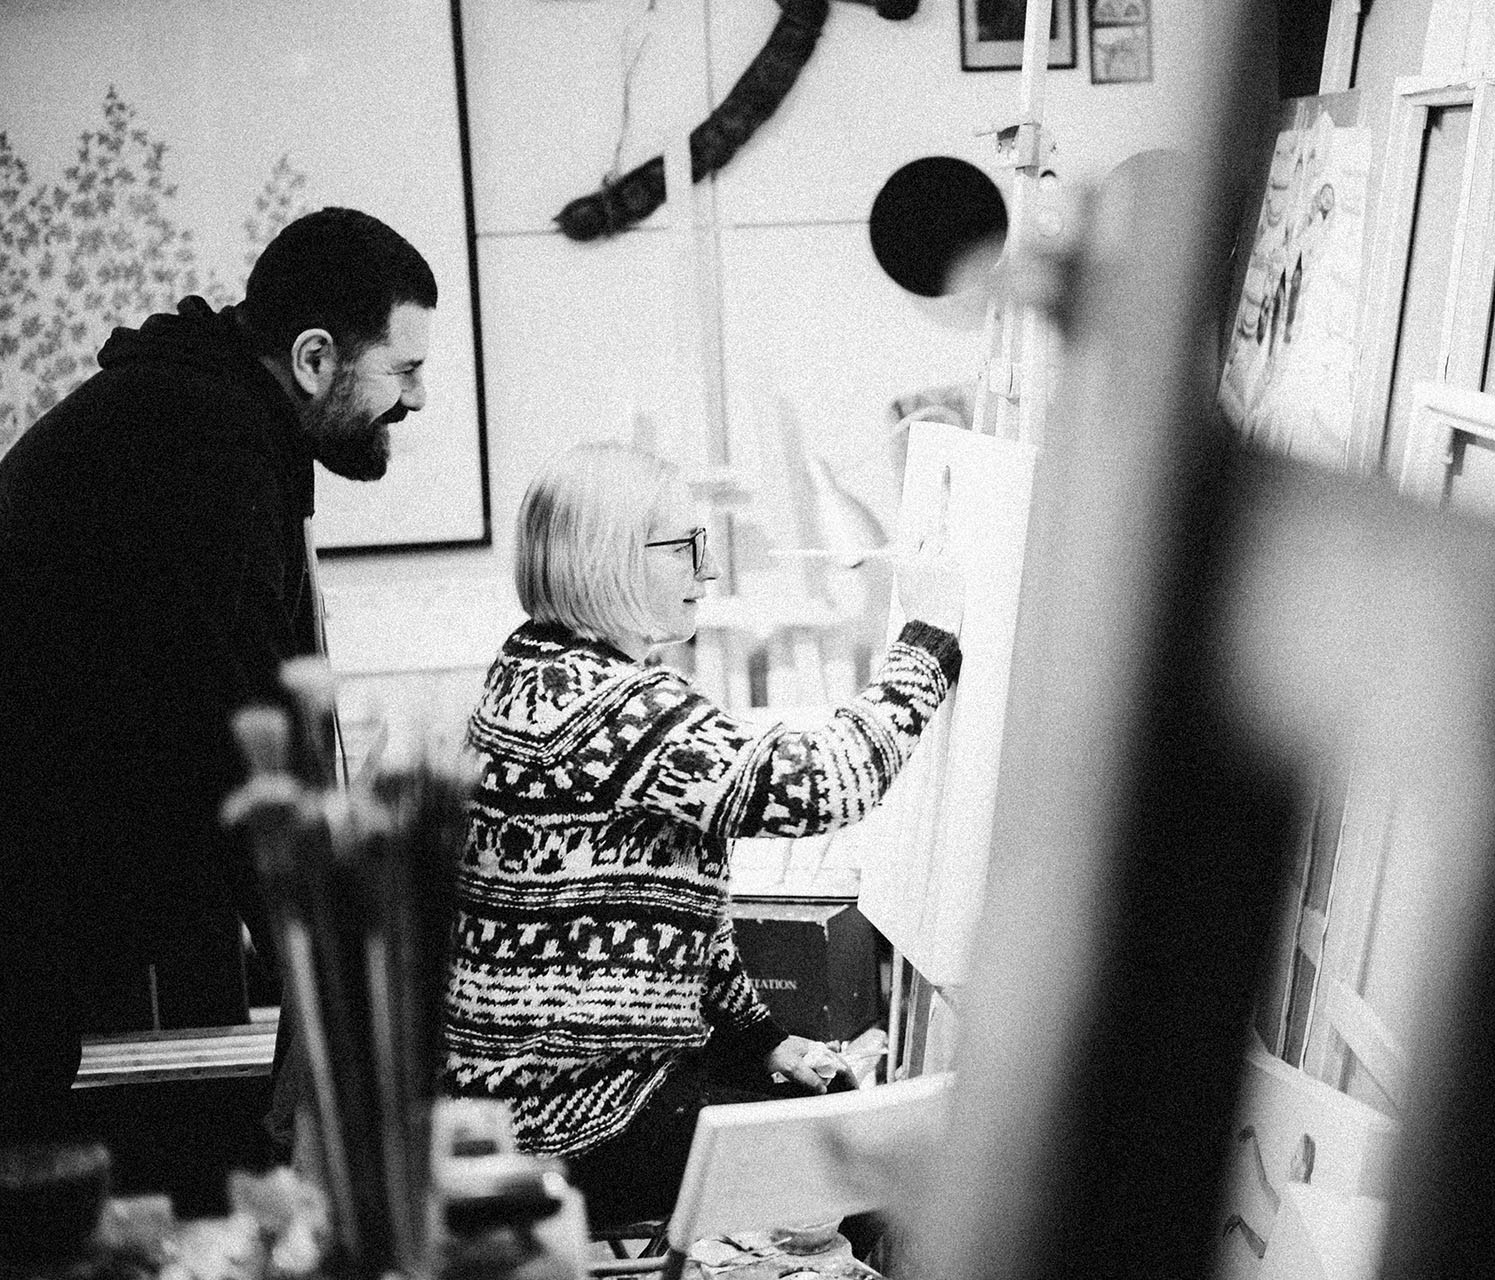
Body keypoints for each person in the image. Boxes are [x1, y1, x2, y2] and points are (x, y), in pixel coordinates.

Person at [441, 441, 964, 1229]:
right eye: (685, 546)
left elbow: (670, 918)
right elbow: (823, 783)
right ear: (611, 559)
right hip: (581, 1122)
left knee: (831, 1108)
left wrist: (760, 1038)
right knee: (871, 1174)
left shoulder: (529, 670)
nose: (709, 569)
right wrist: (925, 646)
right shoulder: (608, 706)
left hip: (545, 1099)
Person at [0, 207, 437, 1141]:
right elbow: (235, 722)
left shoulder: (197, 410)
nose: (417, 400)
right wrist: (315, 960)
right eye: (403, 370)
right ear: (314, 358)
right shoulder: (206, 443)